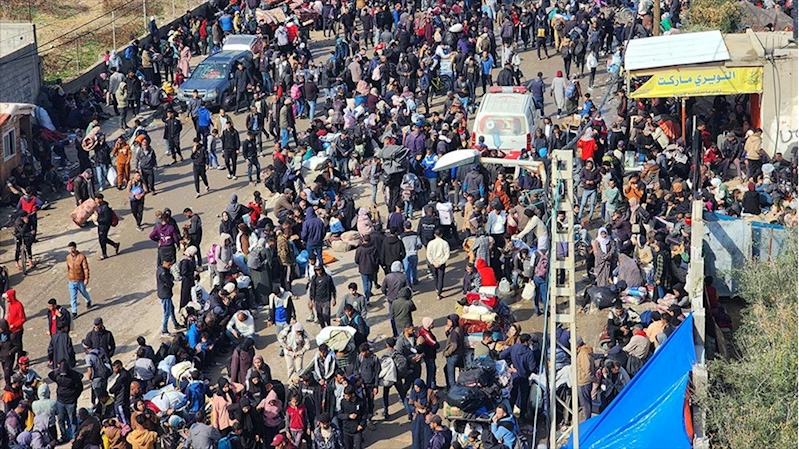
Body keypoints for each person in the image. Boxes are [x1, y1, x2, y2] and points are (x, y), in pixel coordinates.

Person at [49, 363, 83, 443]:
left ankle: (74, 436)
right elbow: (50, 374)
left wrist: (75, 397)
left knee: (72, 420)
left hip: (71, 402)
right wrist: (58, 370)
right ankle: (63, 436)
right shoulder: (58, 376)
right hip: (60, 401)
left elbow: (80, 386)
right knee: (60, 420)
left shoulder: (73, 376)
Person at [65, 242, 92, 318]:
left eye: (72, 248)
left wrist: (86, 278)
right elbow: (68, 268)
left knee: (83, 292)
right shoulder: (68, 257)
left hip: (80, 280)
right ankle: (74, 312)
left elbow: (85, 269)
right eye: (70, 248)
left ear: (75, 248)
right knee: (73, 297)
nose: (71, 250)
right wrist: (69, 277)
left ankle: (88, 300)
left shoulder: (81, 257)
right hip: (71, 280)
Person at [156, 259, 181, 337]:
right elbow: (170, 282)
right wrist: (171, 282)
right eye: (169, 264)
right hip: (165, 294)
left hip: (164, 293)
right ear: (165, 262)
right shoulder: (163, 273)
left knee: (171, 309)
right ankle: (164, 330)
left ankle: (175, 323)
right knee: (167, 312)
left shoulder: (160, 269)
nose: (170, 266)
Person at [338, 384, 365, 449]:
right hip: (346, 429)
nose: (345, 397)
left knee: (358, 447)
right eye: (345, 395)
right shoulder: (343, 402)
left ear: (352, 394)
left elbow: (364, 414)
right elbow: (340, 415)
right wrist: (348, 416)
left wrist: (361, 425)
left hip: (357, 430)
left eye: (347, 396)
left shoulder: (360, 402)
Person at [426, 228, 451, 300]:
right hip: (441, 263)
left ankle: (437, 288)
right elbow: (447, 254)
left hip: (433, 263)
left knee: (435, 277)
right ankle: (439, 293)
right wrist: (441, 262)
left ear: (434, 234)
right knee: (441, 277)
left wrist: (433, 262)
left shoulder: (430, 243)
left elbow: (428, 254)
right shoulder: (445, 243)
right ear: (441, 234)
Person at [94, 194, 120, 260]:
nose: (95, 201)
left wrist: (97, 219)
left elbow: (107, 219)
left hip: (104, 226)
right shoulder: (100, 206)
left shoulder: (105, 208)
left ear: (100, 199)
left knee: (102, 240)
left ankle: (104, 254)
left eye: (96, 199)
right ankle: (115, 245)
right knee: (103, 239)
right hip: (100, 225)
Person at [442, 314, 464, 391]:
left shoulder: (454, 332)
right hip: (459, 354)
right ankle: (449, 387)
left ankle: (453, 391)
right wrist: (447, 332)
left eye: (449, 321)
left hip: (453, 356)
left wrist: (447, 353)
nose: (447, 323)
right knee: (445, 369)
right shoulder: (459, 328)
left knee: (451, 375)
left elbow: (454, 345)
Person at [575, 337, 594, 422]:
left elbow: (586, 368)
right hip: (585, 380)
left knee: (585, 403)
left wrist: (590, 378)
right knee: (586, 402)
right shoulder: (586, 352)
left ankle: (587, 420)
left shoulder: (583, 354)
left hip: (584, 380)